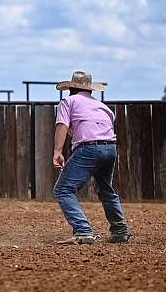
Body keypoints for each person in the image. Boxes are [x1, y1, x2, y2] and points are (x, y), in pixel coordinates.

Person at [52, 71, 130, 245]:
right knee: (105, 188)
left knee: (63, 189)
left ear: (71, 88)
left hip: (89, 148)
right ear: (91, 90)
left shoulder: (68, 101)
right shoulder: (104, 107)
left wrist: (57, 151)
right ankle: (120, 231)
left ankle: (83, 231)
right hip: (110, 148)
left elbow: (62, 125)